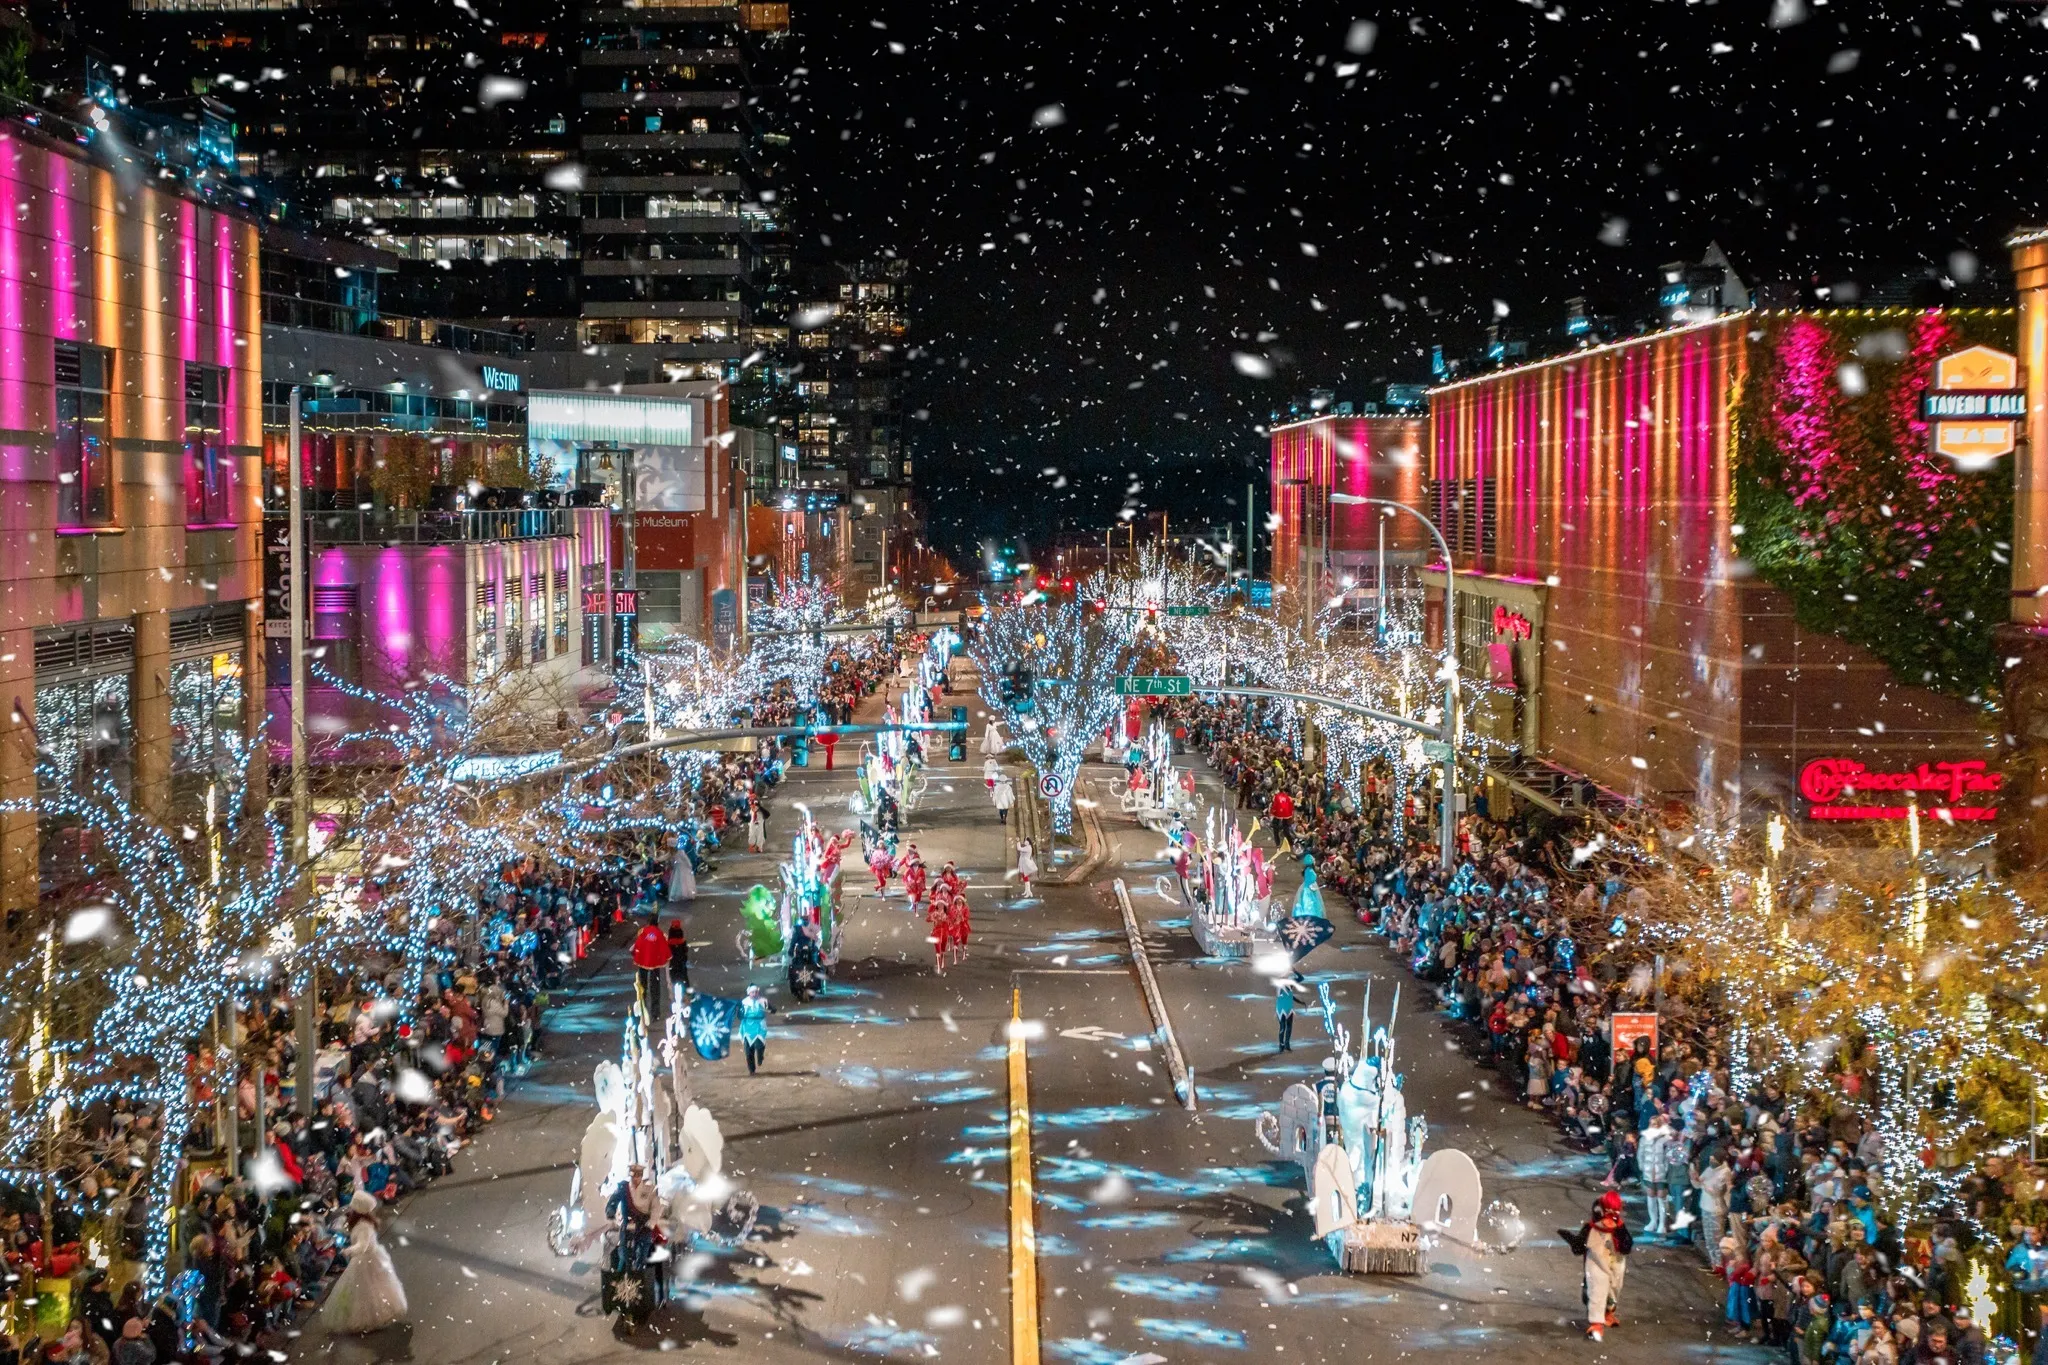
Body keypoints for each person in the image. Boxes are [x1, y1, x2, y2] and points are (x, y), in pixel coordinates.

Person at [324, 1191, 407, 1333]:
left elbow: (362, 1246)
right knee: (371, 1288)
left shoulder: (364, 1226)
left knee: (366, 1290)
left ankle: (371, 1317)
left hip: (367, 1260)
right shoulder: (362, 1222)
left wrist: (347, 1251)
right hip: (369, 1258)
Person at [1563, 1190, 1632, 1342]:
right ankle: (1596, 1322)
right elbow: (1578, 1248)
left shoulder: (1619, 1227)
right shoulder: (1591, 1226)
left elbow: (1626, 1247)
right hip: (1596, 1261)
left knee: (1615, 1288)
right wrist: (1571, 1239)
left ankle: (1608, 1312)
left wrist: (1618, 1230)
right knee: (1597, 1288)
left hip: (1615, 1260)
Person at [630, 910, 672, 1019]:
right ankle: (655, 1013)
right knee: (655, 988)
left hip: (642, 962)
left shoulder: (642, 932)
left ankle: (642, 1009)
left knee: (642, 987)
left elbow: (637, 945)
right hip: (655, 964)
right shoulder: (659, 933)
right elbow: (664, 949)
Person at [739, 985, 774, 1075]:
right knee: (748, 1051)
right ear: (749, 993)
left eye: (756, 992)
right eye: (752, 992)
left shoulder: (762, 1001)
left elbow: (772, 1009)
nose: (754, 994)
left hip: (759, 1026)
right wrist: (741, 1013)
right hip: (747, 1028)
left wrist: (770, 1008)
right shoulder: (744, 1002)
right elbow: (739, 1015)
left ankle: (760, 1056)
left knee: (759, 1045)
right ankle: (752, 1070)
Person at [1275, 982, 1295, 1052]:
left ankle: (1286, 1045)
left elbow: (1300, 978)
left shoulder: (1289, 987)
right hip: (1281, 1010)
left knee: (1288, 1028)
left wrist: (1294, 971)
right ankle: (1281, 1046)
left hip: (1289, 1009)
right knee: (1283, 1028)